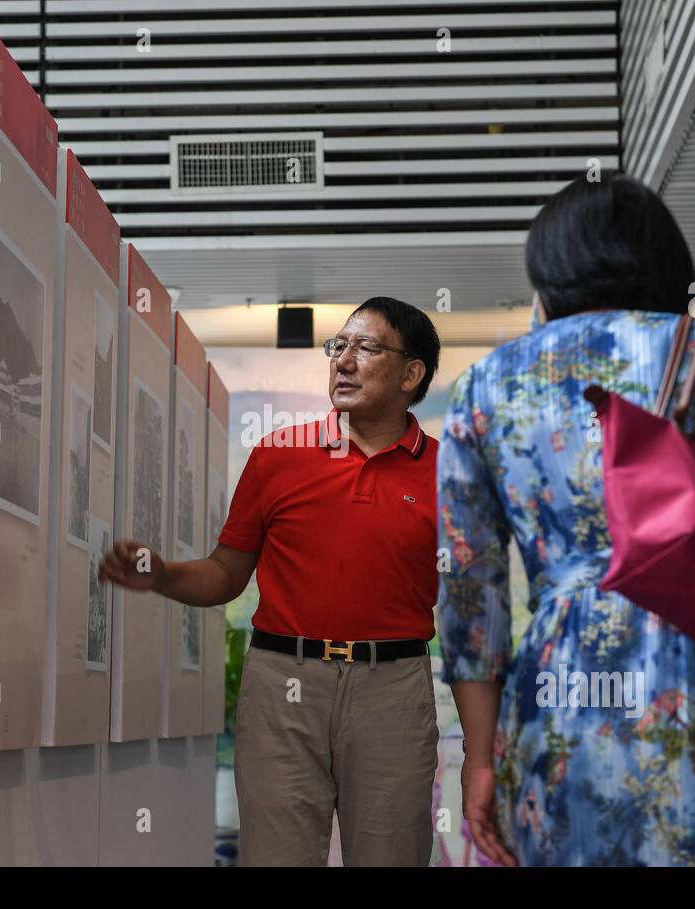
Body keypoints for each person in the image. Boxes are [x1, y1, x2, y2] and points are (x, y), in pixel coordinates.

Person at [438, 174, 695, 866]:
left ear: (549, 265)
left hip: (561, 695)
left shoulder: (485, 387)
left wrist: (481, 758)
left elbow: (467, 598)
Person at [100, 296, 443, 866]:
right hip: (283, 683)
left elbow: (479, 602)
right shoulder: (278, 455)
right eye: (339, 346)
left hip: (395, 690)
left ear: (412, 374)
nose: (344, 361)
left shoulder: (446, 472)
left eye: (367, 347)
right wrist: (160, 575)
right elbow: (224, 574)